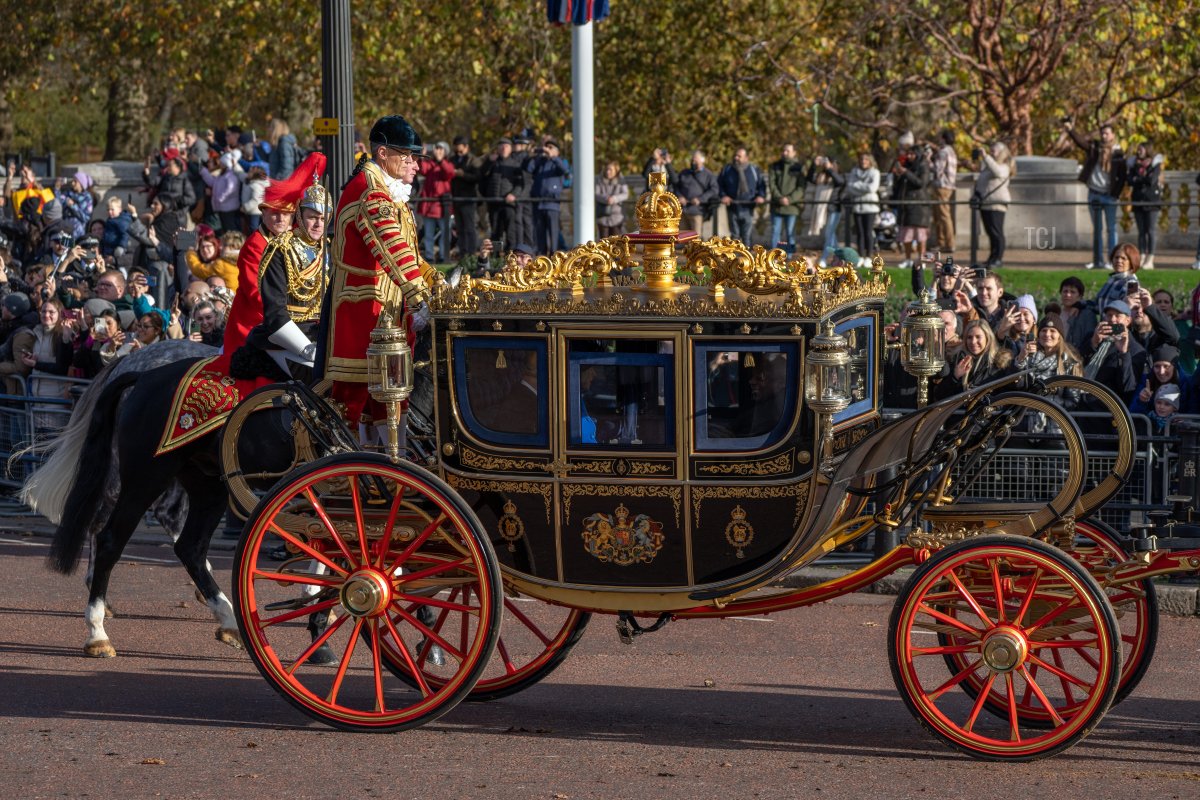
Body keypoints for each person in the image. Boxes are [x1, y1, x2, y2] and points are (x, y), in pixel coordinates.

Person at [324, 114, 439, 431]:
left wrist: (436, 284)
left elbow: (411, 255)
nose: (414, 164)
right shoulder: (370, 192)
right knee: (352, 404)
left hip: (387, 317)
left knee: (391, 405)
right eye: (407, 156)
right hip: (365, 315)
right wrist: (420, 296)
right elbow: (391, 246)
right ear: (383, 153)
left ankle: (389, 474)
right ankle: (341, 477)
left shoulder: (388, 192)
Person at [232, 162, 331, 380]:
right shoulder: (280, 249)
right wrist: (306, 348)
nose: (318, 224)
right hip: (285, 338)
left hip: (319, 334)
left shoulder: (329, 249)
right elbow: (274, 311)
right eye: (313, 217)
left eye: (323, 218)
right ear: (300, 217)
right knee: (320, 377)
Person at [1064, 119, 1126, 270]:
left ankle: (1113, 262)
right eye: (1102, 133)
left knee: (1111, 229)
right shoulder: (1095, 148)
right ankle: (1097, 260)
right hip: (1094, 193)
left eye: (1107, 133)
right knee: (1097, 229)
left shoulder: (1118, 152)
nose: (1104, 136)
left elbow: (1123, 176)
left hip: (1109, 196)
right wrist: (1071, 129)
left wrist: (1115, 194)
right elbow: (1081, 143)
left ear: (1112, 135)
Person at [1082, 298, 1145, 405]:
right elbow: (1076, 361)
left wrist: (1123, 353)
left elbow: (1128, 387)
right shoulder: (1093, 336)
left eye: (1118, 316)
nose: (1112, 319)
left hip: (1105, 409)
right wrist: (1093, 343)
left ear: (1128, 321)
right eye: (1109, 315)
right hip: (1079, 401)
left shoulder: (1136, 349)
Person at [936, 318, 1014, 399]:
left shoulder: (1000, 361)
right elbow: (940, 396)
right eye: (969, 337)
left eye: (978, 337)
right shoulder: (956, 359)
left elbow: (1005, 394)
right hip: (959, 411)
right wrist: (955, 376)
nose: (973, 342)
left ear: (987, 338)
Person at [891, 132, 931, 269]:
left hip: (919, 206)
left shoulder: (923, 166)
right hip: (906, 206)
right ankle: (908, 259)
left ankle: (922, 260)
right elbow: (899, 185)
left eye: (912, 154)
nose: (909, 157)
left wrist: (906, 172)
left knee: (920, 237)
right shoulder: (906, 165)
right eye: (908, 154)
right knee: (906, 235)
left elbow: (921, 182)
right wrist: (898, 175)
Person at [971, 141, 1014, 269]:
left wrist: (985, 157)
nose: (990, 152)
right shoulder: (988, 165)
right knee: (990, 232)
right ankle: (992, 258)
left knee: (997, 232)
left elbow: (998, 172)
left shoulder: (1004, 166)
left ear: (1001, 152)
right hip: (986, 203)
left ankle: (998, 259)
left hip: (997, 203)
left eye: (993, 150)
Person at [524, 139, 571, 255]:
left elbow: (564, 170)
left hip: (552, 203)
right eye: (546, 147)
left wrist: (553, 157)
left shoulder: (559, 162)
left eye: (550, 147)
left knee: (553, 233)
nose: (547, 150)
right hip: (539, 203)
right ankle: (542, 258)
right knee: (539, 234)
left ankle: (554, 257)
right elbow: (529, 169)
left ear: (557, 151)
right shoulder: (540, 161)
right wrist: (531, 156)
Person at [480, 137, 525, 253]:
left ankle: (510, 258)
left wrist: (513, 195)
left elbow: (520, 184)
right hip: (494, 203)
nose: (504, 148)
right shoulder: (492, 163)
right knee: (495, 232)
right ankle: (495, 258)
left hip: (509, 204)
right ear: (498, 149)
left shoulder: (515, 165)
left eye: (507, 146)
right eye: (501, 146)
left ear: (511, 149)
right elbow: (481, 177)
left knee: (511, 232)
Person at [416, 141, 456, 263]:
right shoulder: (430, 164)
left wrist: (440, 161)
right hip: (429, 205)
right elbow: (422, 169)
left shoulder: (448, 164)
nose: (437, 150)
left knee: (445, 233)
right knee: (428, 234)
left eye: (440, 148)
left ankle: (444, 256)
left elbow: (448, 173)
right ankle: (429, 256)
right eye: (436, 148)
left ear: (446, 151)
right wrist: (422, 156)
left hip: (443, 206)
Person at [1126, 141, 1164, 269]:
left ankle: (1150, 258)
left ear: (1147, 150)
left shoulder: (1155, 163)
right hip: (1138, 200)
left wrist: (1138, 179)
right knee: (1141, 231)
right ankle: (1141, 256)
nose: (1138, 151)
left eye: (1141, 149)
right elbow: (1130, 181)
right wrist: (1140, 179)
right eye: (1137, 149)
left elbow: (1151, 181)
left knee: (1151, 230)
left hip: (1151, 201)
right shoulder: (1133, 164)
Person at [718, 148, 766, 246]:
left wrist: (760, 196)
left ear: (746, 158)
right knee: (734, 235)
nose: (736, 158)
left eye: (739, 156)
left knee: (746, 236)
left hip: (748, 207)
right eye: (735, 155)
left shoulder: (754, 169)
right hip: (732, 206)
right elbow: (719, 185)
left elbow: (761, 185)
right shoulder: (727, 169)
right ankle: (733, 259)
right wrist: (724, 196)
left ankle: (747, 259)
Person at [767, 144, 805, 256]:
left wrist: (789, 199)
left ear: (794, 153)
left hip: (791, 207)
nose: (785, 153)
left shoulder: (799, 167)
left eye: (788, 151)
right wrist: (779, 198)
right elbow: (772, 184)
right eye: (783, 150)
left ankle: (789, 257)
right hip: (777, 205)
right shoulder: (774, 166)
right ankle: (774, 257)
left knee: (790, 233)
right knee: (775, 232)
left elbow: (801, 188)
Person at [449, 136, 482, 257]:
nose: (457, 150)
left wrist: (463, 175)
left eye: (460, 148)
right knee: (460, 229)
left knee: (470, 228)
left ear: (466, 147)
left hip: (469, 199)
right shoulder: (452, 159)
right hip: (456, 198)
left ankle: (472, 253)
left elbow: (477, 177)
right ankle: (463, 253)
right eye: (456, 148)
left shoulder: (473, 160)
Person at [845, 153, 880, 266]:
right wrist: (863, 187)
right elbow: (850, 188)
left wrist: (858, 185)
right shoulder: (854, 172)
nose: (863, 161)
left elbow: (872, 188)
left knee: (868, 232)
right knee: (859, 232)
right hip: (857, 205)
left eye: (866, 159)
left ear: (870, 161)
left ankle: (869, 256)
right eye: (862, 159)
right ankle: (860, 256)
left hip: (870, 206)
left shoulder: (875, 172)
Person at [675, 150, 719, 237]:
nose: (693, 162)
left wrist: (700, 199)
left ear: (702, 160)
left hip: (697, 211)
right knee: (682, 239)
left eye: (695, 160)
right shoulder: (684, 173)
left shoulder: (708, 175)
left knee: (695, 240)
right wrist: (680, 196)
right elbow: (676, 187)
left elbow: (714, 190)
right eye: (692, 160)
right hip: (682, 211)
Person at [931, 129, 958, 254]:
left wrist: (928, 160)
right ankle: (941, 243)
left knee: (943, 216)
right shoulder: (952, 151)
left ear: (943, 138)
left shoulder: (943, 152)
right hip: (949, 187)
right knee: (940, 215)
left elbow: (937, 170)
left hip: (942, 186)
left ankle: (949, 243)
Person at [1057, 276, 1098, 354]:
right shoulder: (1056, 314)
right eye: (1065, 291)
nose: (1068, 295)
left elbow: (1090, 342)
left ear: (1080, 296)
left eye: (1072, 292)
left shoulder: (1087, 315)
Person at [595, 160, 629, 238]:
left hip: (617, 216)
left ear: (616, 171)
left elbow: (625, 194)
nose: (608, 172)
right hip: (602, 215)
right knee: (603, 242)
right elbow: (596, 194)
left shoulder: (621, 180)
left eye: (610, 170)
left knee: (615, 241)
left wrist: (614, 198)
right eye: (607, 169)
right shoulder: (599, 180)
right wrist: (606, 199)